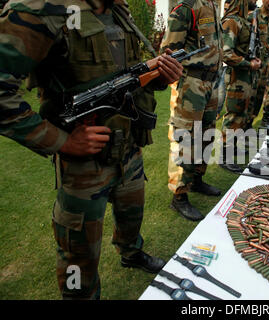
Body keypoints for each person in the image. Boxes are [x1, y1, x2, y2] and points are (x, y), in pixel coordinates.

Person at [0, 0, 183, 299]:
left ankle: (131, 252)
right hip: (83, 165)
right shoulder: (42, 8)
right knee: (78, 256)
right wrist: (63, 141)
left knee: (131, 219)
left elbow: (125, 80)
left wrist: (159, 78)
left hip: (130, 151)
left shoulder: (119, 10)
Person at [160, 0, 223, 221]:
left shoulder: (212, 6)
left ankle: (197, 180)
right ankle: (179, 196)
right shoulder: (186, 8)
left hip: (211, 82)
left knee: (206, 134)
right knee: (185, 137)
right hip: (191, 83)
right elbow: (167, 52)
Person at [220, 0, 261, 173]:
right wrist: (247, 64)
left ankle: (233, 147)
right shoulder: (232, 21)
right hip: (237, 77)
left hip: (247, 77)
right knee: (233, 117)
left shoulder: (245, 20)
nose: (256, 1)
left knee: (243, 115)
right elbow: (226, 53)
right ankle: (224, 156)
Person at [246, 0, 269, 128]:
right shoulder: (252, 17)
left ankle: (248, 127)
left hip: (264, 69)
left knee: (258, 102)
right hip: (251, 69)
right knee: (246, 105)